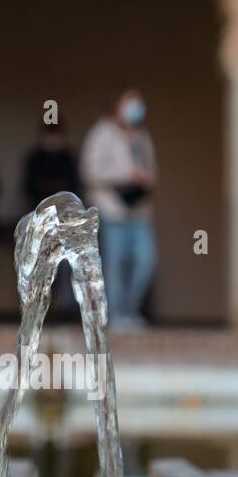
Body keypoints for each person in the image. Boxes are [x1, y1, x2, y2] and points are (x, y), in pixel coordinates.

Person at [81, 88, 157, 327]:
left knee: (146, 260)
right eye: (129, 103)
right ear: (117, 106)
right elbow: (89, 171)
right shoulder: (101, 134)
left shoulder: (142, 136)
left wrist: (145, 178)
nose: (135, 108)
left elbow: (153, 171)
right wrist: (125, 176)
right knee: (114, 264)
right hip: (112, 210)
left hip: (140, 211)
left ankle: (130, 311)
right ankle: (114, 317)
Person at [22, 120, 81, 317]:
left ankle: (65, 308)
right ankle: (38, 307)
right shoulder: (35, 158)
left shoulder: (68, 158)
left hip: (65, 219)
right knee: (40, 264)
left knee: (65, 264)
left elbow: (75, 186)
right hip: (40, 219)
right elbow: (28, 186)